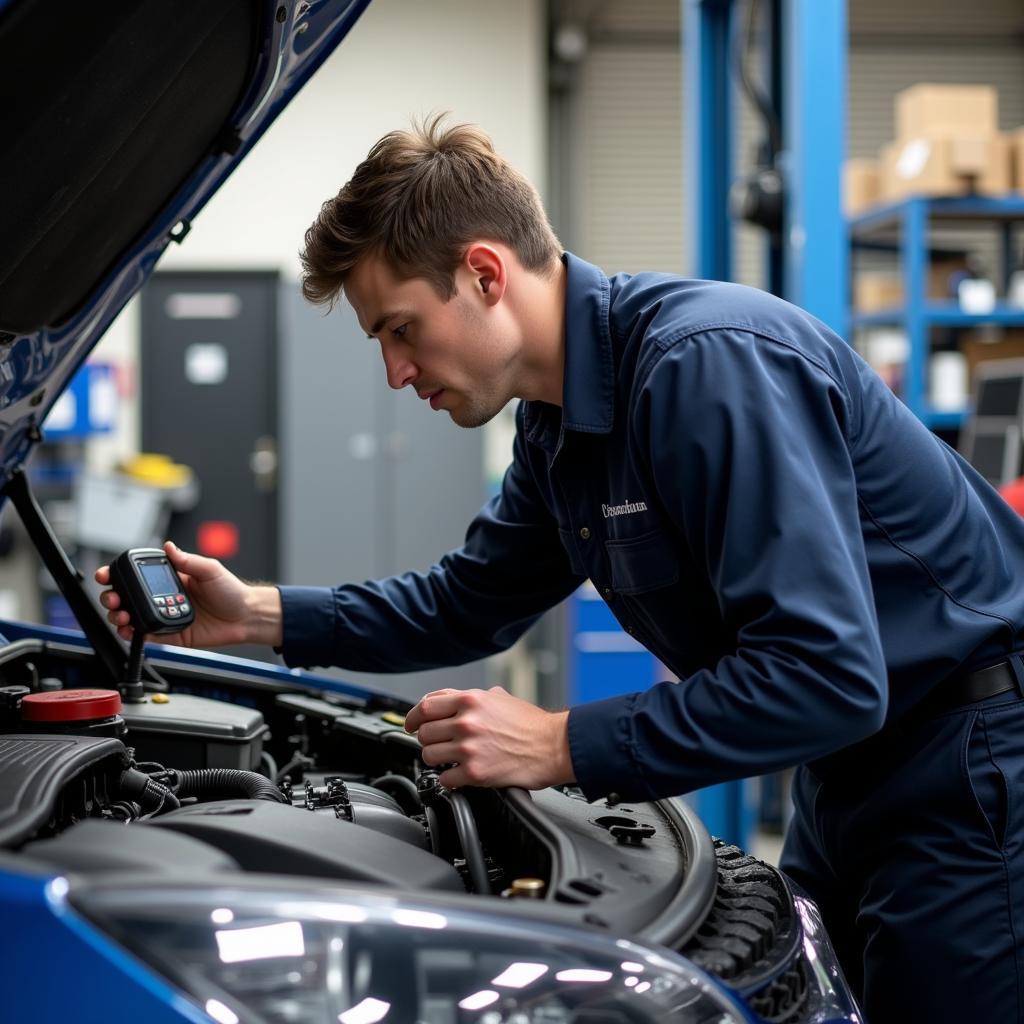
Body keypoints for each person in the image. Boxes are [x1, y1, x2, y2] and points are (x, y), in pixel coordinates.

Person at [97, 118, 1024, 1022]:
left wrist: (559, 744)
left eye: (402, 330)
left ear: (485, 273)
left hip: (967, 773)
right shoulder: (557, 429)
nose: (394, 372)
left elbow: (827, 673)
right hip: (845, 776)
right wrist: (256, 614)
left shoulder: (705, 368)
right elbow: (466, 603)